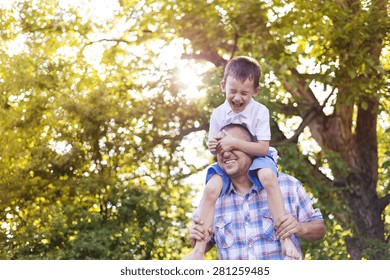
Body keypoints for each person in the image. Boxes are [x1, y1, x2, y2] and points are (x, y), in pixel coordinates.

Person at [185, 56, 299, 259]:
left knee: (267, 178)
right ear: (223, 86)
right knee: (211, 188)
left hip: (258, 157)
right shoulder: (218, 114)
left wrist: (234, 143)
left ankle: (285, 238)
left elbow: (263, 148)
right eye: (233, 92)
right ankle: (198, 249)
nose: (238, 98)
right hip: (230, 160)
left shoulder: (260, 111)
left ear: (255, 91)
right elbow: (214, 148)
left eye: (244, 93)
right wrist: (216, 144)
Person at [188, 124, 326, 260]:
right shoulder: (212, 197)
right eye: (220, 148)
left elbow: (319, 229)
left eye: (233, 146)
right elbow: (204, 243)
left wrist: (300, 227)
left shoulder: (287, 185)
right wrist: (196, 239)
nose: (226, 152)